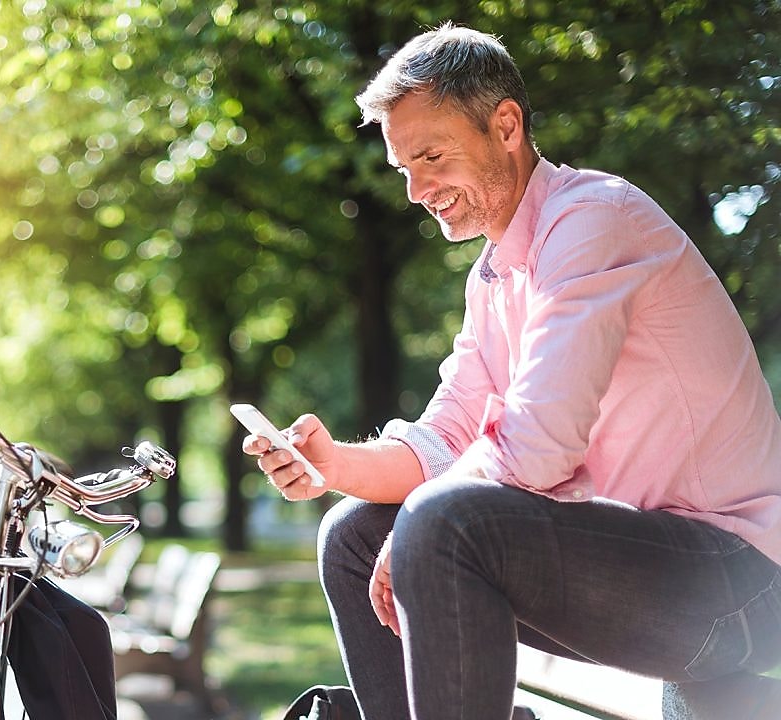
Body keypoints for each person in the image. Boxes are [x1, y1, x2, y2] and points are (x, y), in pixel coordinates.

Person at [243, 22, 781, 720]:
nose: (415, 190)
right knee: (352, 535)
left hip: (739, 580)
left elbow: (540, 443)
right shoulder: (494, 279)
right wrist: (330, 465)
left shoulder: (593, 219)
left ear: (505, 125)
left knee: (442, 521)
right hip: (641, 573)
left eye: (431, 156)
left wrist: (418, 524)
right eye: (403, 167)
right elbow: (445, 439)